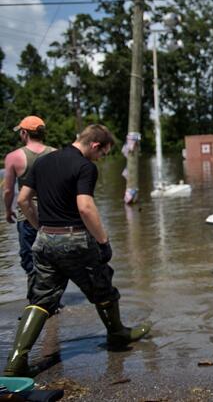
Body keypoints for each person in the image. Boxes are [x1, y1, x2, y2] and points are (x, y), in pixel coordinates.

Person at [3, 124, 151, 377]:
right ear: (95, 145)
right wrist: (103, 241)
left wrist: (42, 228)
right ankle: (117, 334)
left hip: (45, 240)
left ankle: (15, 362)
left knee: (41, 299)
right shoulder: (85, 167)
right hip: (75, 240)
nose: (101, 158)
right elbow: (85, 207)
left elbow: (22, 200)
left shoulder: (43, 162)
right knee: (103, 286)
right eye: (102, 153)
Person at [3, 116, 55, 274]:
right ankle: (52, 296)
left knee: (30, 261)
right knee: (53, 260)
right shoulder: (56, 153)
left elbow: (8, 190)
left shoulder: (13, 157)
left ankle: (36, 295)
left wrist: (7, 210)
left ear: (24, 133)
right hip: (53, 215)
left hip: (27, 215)